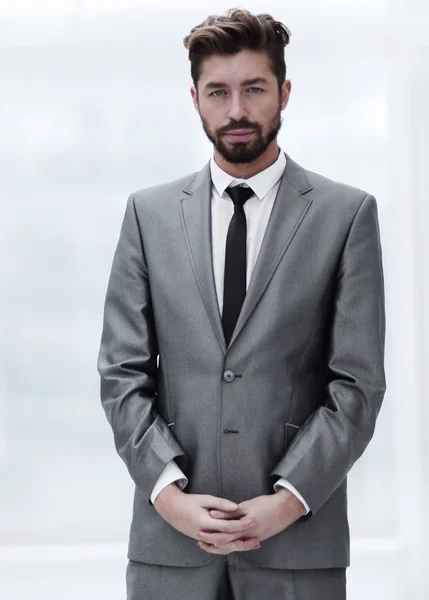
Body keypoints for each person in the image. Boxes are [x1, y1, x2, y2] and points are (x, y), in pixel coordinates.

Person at [97, 8, 386, 600]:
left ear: (283, 92)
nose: (236, 111)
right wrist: (169, 497)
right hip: (169, 552)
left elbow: (357, 385)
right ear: (195, 99)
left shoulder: (346, 215)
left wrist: (288, 501)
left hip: (298, 550)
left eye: (253, 89)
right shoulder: (147, 216)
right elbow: (122, 374)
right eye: (218, 92)